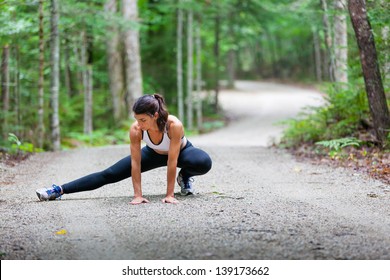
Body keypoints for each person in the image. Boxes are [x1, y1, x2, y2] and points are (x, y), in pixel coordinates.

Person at [36, 94, 212, 204]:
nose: (139, 124)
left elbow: (172, 162)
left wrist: (169, 195)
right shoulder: (136, 129)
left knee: (202, 162)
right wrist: (137, 195)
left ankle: (185, 177)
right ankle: (58, 190)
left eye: (143, 120)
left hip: (181, 153)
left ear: (155, 115)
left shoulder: (173, 125)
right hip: (152, 153)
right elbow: (135, 163)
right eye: (137, 119)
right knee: (110, 174)